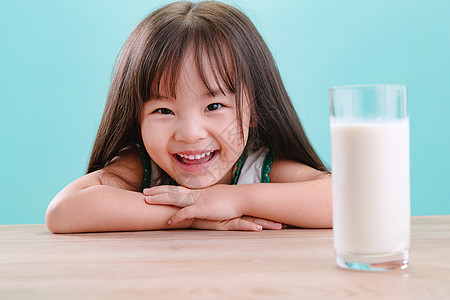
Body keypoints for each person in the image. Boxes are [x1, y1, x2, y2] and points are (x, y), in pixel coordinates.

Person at [46, 1, 332, 233]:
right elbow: (64, 210)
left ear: (254, 109)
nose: (190, 133)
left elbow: (350, 198)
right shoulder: (145, 167)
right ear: (136, 118)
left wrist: (234, 199)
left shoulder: (258, 167)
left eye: (214, 106)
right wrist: (193, 214)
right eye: (163, 111)